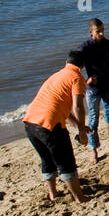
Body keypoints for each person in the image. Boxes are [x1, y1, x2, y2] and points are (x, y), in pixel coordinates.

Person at [22, 51, 91, 204]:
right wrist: (82, 133)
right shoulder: (77, 78)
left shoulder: (57, 75)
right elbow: (78, 107)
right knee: (66, 161)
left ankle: (53, 194)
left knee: (47, 160)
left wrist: (80, 126)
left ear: (67, 63)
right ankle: (79, 197)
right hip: (50, 126)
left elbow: (61, 107)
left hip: (30, 123)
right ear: (82, 65)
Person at [77, 18, 109, 164]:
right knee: (93, 119)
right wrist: (86, 82)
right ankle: (93, 150)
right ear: (91, 32)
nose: (102, 33)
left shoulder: (106, 43)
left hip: (107, 86)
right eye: (98, 31)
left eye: (103, 30)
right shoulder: (85, 47)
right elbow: (73, 68)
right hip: (93, 90)